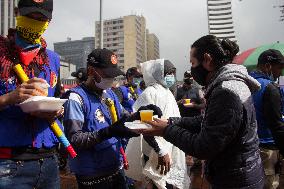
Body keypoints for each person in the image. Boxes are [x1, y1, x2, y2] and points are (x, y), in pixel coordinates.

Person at [139, 35, 265, 188]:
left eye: (193, 63)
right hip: (240, 171)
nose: (192, 71)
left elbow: (204, 147)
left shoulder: (226, 91)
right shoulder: (230, 84)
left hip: (236, 179)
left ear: (207, 59)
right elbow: (209, 120)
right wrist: (172, 122)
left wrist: (166, 130)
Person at [0, 0, 64, 188]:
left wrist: (57, 110)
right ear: (17, 12)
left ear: (49, 22)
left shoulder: (52, 59)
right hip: (8, 163)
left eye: (41, 19)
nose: (35, 22)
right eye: (30, 17)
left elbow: (58, 97)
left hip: (49, 160)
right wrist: (10, 98)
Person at [63, 48, 142, 189]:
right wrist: (108, 132)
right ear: (92, 71)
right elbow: (75, 139)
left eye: (113, 76)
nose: (110, 80)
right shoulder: (76, 98)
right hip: (92, 173)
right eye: (107, 75)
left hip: (115, 166)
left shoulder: (109, 94)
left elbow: (124, 117)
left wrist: (139, 115)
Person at [126, 59, 189, 189]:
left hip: (169, 148)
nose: (171, 76)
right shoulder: (149, 94)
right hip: (156, 151)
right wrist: (160, 151)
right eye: (168, 73)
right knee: (156, 183)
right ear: (158, 74)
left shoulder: (167, 92)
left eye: (173, 73)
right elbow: (144, 126)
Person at [249, 49, 284, 189]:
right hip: (268, 148)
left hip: (250, 146)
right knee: (270, 184)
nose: (280, 73)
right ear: (268, 66)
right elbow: (276, 124)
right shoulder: (269, 88)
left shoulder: (246, 83)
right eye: (279, 68)